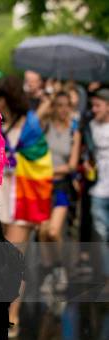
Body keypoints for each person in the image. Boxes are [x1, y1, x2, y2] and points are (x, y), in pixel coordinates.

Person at [0, 75, 53, 337]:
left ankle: (12, 316)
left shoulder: (31, 124)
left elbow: (42, 162)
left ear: (4, 98)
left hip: (21, 197)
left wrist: (16, 159)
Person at [38, 91, 81, 293]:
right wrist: (47, 99)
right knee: (43, 232)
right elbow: (35, 120)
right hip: (42, 186)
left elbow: (71, 165)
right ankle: (50, 271)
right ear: (54, 107)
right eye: (60, 105)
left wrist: (48, 170)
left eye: (67, 106)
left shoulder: (74, 132)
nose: (63, 110)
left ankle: (62, 267)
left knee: (54, 231)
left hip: (62, 187)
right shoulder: (45, 127)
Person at [83, 88, 109, 282]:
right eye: (92, 105)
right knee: (100, 233)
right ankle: (106, 276)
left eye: (97, 105)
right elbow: (86, 153)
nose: (94, 109)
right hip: (99, 188)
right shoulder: (89, 127)